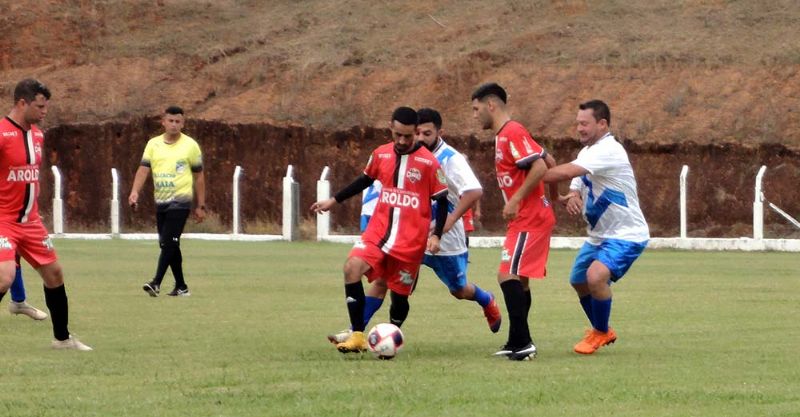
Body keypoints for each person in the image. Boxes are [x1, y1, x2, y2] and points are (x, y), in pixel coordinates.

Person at [326, 108, 501, 344]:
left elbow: (473, 191)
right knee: (382, 282)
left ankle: (486, 300)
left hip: (445, 239)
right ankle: (356, 332)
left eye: (426, 134)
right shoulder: (397, 153)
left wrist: (446, 224)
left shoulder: (451, 158)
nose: (419, 139)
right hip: (409, 235)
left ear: (439, 132)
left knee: (459, 290)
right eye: (416, 133)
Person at [311, 107, 449, 353]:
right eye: (398, 135)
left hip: (410, 242)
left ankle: (391, 333)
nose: (402, 141)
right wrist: (334, 200)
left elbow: (441, 199)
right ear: (391, 129)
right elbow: (364, 180)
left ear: (416, 133)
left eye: (408, 136)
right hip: (377, 233)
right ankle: (357, 335)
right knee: (351, 268)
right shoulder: (380, 154)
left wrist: (436, 234)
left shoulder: (429, 163)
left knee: (399, 297)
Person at [542, 100, 649, 355]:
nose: (579, 128)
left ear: (602, 124)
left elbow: (565, 171)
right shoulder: (589, 152)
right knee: (578, 280)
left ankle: (600, 332)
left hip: (626, 235)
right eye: (577, 123)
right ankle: (602, 329)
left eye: (584, 123)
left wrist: (531, 174)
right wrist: (575, 194)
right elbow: (578, 177)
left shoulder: (609, 150)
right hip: (599, 237)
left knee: (595, 276)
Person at [0, 78, 91, 350]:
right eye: (39, 106)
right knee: (5, 276)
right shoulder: (2, 133)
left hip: (31, 223)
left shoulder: (38, 135)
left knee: (54, 275)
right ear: (22, 103)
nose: (44, 112)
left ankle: (62, 340)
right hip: (3, 220)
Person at [471, 82, 557, 361]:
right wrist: (556, 196)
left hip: (529, 218)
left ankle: (523, 342)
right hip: (528, 216)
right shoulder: (505, 136)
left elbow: (541, 166)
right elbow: (548, 159)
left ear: (491, 105)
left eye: (476, 109)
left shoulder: (512, 132)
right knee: (520, 280)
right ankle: (517, 340)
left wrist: (516, 198)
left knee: (505, 274)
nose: (475, 115)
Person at [129, 106, 206, 297]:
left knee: (168, 242)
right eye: (170, 121)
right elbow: (143, 170)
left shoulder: (190, 146)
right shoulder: (153, 144)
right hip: (161, 201)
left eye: (177, 121)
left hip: (181, 202)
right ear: (163, 121)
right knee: (169, 244)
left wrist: (201, 205)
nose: (174, 125)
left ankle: (156, 282)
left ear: (183, 123)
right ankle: (181, 286)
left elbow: (199, 177)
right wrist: (134, 192)